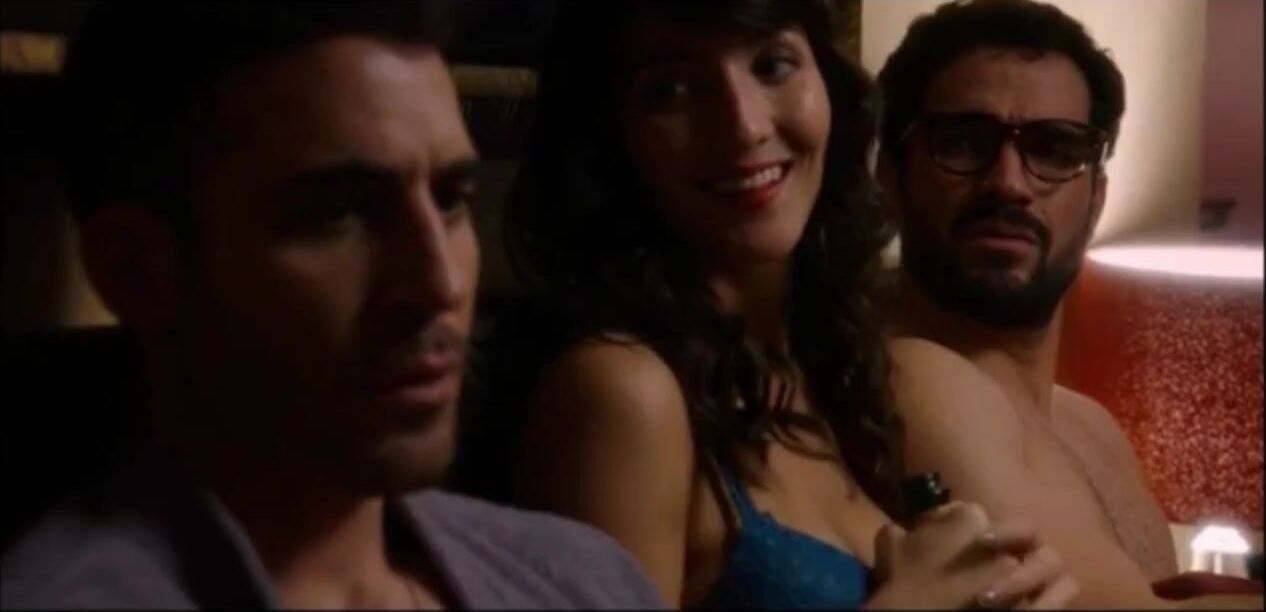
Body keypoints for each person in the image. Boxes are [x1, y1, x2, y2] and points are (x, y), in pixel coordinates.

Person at [0, 1, 664, 608]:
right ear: (136, 272)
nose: (441, 284)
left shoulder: (582, 581)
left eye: (450, 199)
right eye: (337, 215)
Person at [501, 0, 1078, 608]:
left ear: (828, 87)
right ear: (609, 136)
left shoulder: (830, 367)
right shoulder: (620, 390)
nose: (744, 126)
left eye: (773, 66)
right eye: (671, 90)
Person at [875, 0, 1262, 608]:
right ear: (892, 178)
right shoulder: (914, 380)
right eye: (965, 143)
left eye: (1055, 150)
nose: (1009, 183)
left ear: (1096, 197)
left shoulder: (1092, 427)